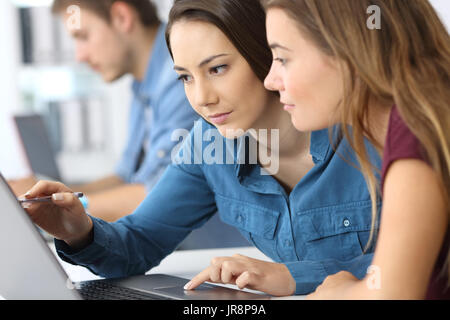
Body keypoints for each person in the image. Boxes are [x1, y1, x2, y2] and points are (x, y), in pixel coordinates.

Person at [21, 0, 381, 297]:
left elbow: (426, 260)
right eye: (186, 77)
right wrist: (78, 230)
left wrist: (292, 275)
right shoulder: (209, 142)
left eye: (218, 68)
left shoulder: (371, 131)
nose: (202, 99)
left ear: (267, 54)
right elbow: (141, 241)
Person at [263, 0, 449, 299]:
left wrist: (338, 292)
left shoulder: (414, 129)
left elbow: (391, 295)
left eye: (283, 59)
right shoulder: (422, 114)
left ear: (347, 51)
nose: (270, 81)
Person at [9, 0, 198, 222]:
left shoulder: (181, 75)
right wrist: (50, 194)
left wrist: (52, 206)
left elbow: (160, 196)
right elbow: (125, 177)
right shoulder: (143, 86)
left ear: (122, 17)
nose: (80, 55)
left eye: (83, 36)